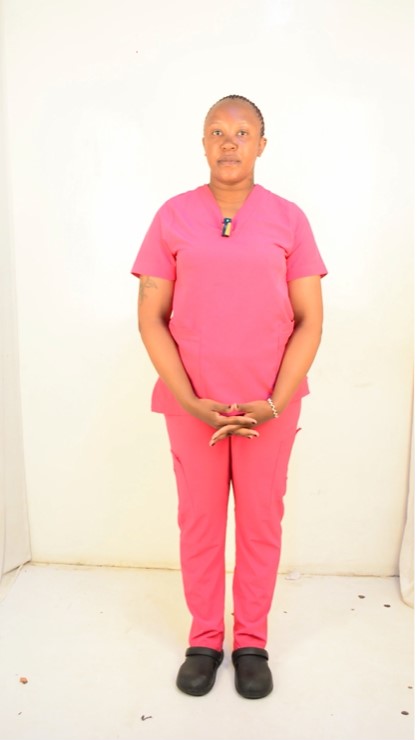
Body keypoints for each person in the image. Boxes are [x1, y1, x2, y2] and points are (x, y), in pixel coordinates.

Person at [131, 94, 327, 699]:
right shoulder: (173, 216)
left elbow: (310, 321)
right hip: (194, 406)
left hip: (270, 405)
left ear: (262, 145)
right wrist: (190, 400)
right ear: (203, 143)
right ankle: (205, 640)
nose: (229, 142)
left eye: (242, 132)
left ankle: (251, 644)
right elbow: (151, 317)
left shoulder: (288, 219)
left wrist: (274, 401)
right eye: (217, 131)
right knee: (200, 522)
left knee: (261, 523)